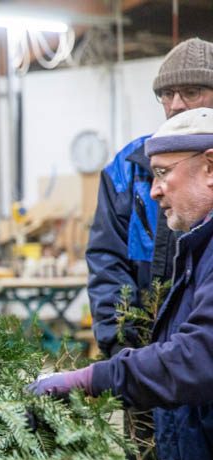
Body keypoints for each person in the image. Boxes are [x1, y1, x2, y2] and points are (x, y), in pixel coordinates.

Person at [32, 107, 213, 460]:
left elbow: (196, 357)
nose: (153, 190)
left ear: (210, 168)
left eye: (163, 174)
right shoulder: (198, 247)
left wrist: (95, 378)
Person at [87, 37, 213, 357]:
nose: (176, 105)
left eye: (192, 92)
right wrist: (121, 349)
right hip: (145, 352)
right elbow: (107, 263)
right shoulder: (128, 167)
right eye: (167, 94)